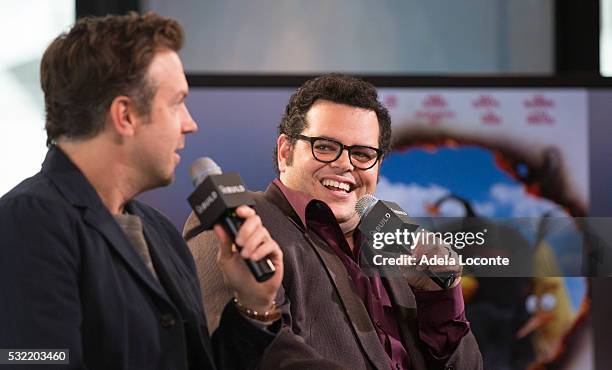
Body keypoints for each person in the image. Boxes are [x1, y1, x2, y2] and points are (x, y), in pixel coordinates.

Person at [0, 13, 284, 370]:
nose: (190, 123)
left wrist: (253, 303)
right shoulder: (28, 221)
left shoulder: (160, 232)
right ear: (126, 115)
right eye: (176, 102)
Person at [185, 74, 483, 369]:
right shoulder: (245, 220)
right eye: (325, 147)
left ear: (378, 167)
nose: (345, 164)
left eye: (362, 153)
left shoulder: (396, 248)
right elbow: (234, 353)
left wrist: (439, 300)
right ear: (285, 151)